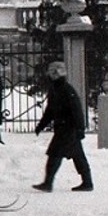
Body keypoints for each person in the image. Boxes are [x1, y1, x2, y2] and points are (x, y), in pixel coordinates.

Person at [32, 61, 93, 192]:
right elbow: (50, 111)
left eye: (51, 72)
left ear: (56, 74)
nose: (49, 75)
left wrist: (80, 129)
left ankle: (48, 183)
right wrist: (41, 126)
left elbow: (76, 110)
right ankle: (87, 182)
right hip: (64, 128)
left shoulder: (65, 89)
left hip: (68, 129)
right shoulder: (56, 89)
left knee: (54, 154)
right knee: (77, 156)